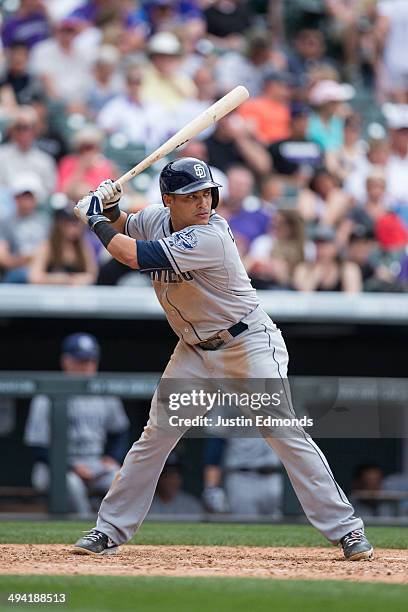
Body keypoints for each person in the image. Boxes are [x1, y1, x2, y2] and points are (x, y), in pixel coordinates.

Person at [72, 157, 373, 560]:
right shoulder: (157, 218)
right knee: (156, 437)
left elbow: (132, 255)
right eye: (191, 196)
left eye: (206, 194)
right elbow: (126, 224)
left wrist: (94, 220)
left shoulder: (211, 235)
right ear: (168, 201)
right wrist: (108, 205)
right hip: (194, 352)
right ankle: (108, 530)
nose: (203, 203)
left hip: (246, 344)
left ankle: (347, 530)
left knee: (282, 430)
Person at [24, 333, 130, 516]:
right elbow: (38, 447)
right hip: (57, 467)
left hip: (95, 464)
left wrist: (113, 457)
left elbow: (120, 431)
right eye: (81, 361)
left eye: (91, 360)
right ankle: (84, 530)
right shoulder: (45, 395)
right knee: (71, 484)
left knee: (122, 480)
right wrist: (71, 466)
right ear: (66, 361)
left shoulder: (105, 393)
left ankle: (118, 533)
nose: (87, 366)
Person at [28, 204, 97, 286]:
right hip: (50, 293)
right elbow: (34, 277)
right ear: (60, 224)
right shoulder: (47, 246)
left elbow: (92, 275)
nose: (73, 227)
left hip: (77, 294)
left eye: (76, 222)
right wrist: (59, 279)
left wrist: (81, 279)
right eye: (69, 223)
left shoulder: (83, 246)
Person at [0, 173, 50, 283]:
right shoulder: (5, 222)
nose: (26, 201)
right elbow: (3, 256)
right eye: (23, 196)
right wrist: (22, 260)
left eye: (30, 196)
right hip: (15, 272)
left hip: (41, 269)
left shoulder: (46, 221)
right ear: (15, 198)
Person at [149, 451, 203, 516]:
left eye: (175, 476)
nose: (171, 481)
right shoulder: (146, 505)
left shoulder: (192, 505)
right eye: (167, 475)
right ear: (159, 477)